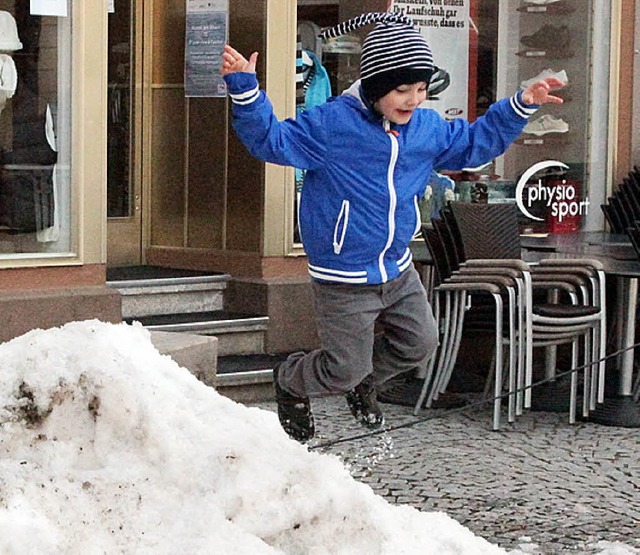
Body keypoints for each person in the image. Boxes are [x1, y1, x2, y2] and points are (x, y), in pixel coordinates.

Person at [220, 12, 564, 442]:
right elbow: (271, 140)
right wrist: (246, 90)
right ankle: (291, 380)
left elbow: (474, 144)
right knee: (342, 367)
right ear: (377, 84)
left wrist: (521, 106)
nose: (413, 99)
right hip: (343, 274)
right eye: (403, 89)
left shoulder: (425, 128)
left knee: (419, 343)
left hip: (397, 269)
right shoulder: (332, 126)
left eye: (421, 89)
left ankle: (366, 380)